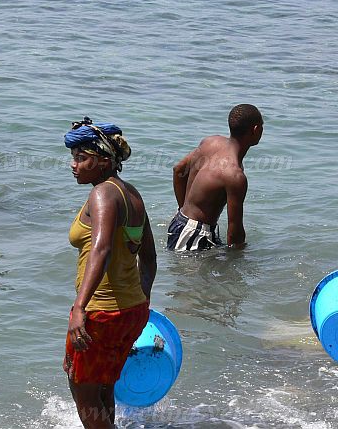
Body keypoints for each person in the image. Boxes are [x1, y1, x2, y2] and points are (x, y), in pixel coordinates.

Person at [63, 117, 157, 429]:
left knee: (83, 387)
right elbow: (149, 258)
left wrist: (80, 308)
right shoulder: (131, 194)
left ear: (104, 161)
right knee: (102, 385)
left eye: (81, 158)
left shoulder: (102, 194)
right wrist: (141, 300)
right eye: (74, 157)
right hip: (130, 311)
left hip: (101, 312)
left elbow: (100, 250)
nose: (74, 165)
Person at [167, 104, 263, 251]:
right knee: (191, 274)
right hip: (194, 235)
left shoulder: (211, 142)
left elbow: (178, 170)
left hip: (180, 222)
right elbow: (234, 233)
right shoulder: (235, 176)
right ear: (255, 130)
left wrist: (184, 210)